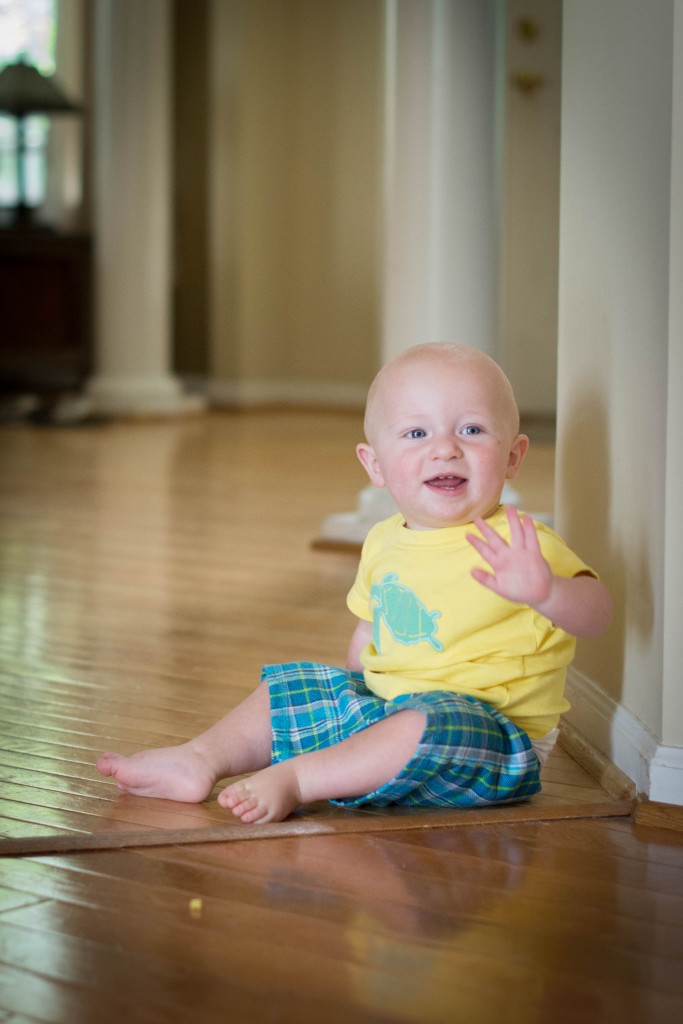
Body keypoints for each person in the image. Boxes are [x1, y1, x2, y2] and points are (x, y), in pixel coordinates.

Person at [96, 343, 612, 824]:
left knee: (425, 721)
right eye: (416, 434)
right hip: (394, 711)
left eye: (472, 430)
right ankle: (198, 758)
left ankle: (300, 779)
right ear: (375, 464)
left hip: (492, 739)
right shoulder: (385, 540)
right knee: (292, 686)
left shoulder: (522, 544)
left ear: (513, 456)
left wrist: (546, 592)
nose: (446, 450)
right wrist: (349, 693)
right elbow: (370, 629)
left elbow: (598, 612)